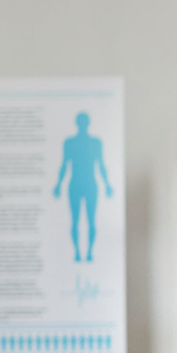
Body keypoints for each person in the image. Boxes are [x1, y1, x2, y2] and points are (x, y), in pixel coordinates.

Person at [53, 111, 112, 263]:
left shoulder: (95, 143)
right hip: (75, 185)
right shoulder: (70, 143)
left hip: (91, 184)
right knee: (75, 221)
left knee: (91, 220)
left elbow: (101, 165)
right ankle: (78, 253)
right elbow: (64, 165)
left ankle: (90, 252)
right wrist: (58, 184)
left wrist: (107, 184)